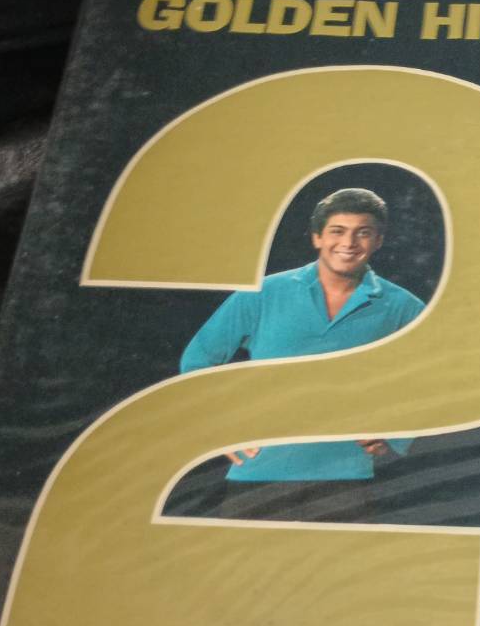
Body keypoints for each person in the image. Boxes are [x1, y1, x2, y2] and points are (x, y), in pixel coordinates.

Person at [179, 187, 425, 483]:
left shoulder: (402, 306)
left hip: (348, 477)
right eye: (337, 231)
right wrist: (221, 428)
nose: (348, 243)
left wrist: (395, 434)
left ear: (378, 241)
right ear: (317, 237)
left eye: (363, 233)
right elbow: (197, 362)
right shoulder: (263, 293)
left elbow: (437, 377)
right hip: (257, 474)